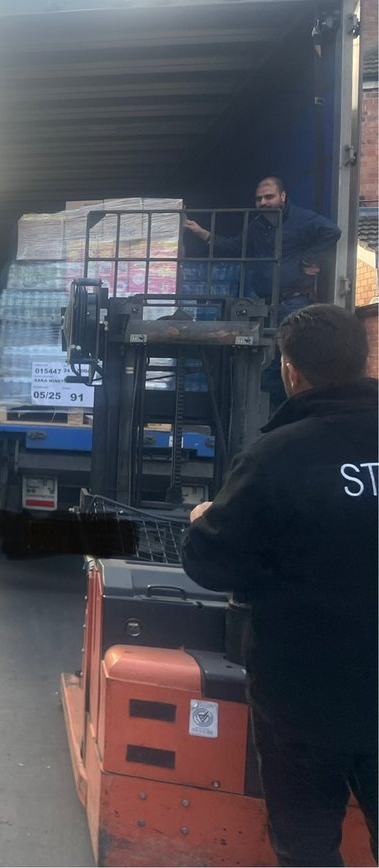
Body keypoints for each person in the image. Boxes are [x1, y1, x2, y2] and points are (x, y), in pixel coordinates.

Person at [180, 304, 377, 867]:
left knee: (308, 849)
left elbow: (216, 566)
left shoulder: (276, 458)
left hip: (307, 698)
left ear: (291, 370)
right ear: (363, 361)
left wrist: (203, 522)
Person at [183, 177, 342, 412]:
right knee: (265, 363)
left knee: (286, 361)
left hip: (293, 302)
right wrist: (201, 232)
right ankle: (270, 414)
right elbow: (233, 247)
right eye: (259, 199)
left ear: (283, 197)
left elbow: (332, 231)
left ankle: (285, 414)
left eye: (269, 197)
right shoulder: (258, 226)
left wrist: (310, 259)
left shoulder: (302, 219)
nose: (264, 202)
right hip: (267, 304)